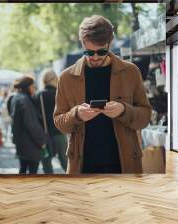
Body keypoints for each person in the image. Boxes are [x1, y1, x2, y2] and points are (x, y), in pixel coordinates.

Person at [53, 15, 152, 174]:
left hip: (124, 164)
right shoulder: (66, 77)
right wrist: (76, 114)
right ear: (82, 44)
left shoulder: (131, 72)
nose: (95, 57)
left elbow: (145, 116)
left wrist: (123, 110)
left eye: (101, 51)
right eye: (89, 52)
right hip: (83, 165)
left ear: (110, 44)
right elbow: (59, 122)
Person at [10, 76, 47, 174]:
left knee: (22, 169)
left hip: (21, 143)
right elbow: (31, 123)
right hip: (30, 144)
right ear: (28, 87)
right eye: (33, 86)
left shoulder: (16, 97)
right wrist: (42, 140)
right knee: (32, 171)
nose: (34, 89)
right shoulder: (25, 100)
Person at [34, 69, 68, 173]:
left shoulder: (38, 95)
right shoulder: (60, 93)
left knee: (47, 164)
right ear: (55, 79)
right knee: (66, 163)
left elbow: (36, 117)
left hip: (45, 135)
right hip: (60, 134)